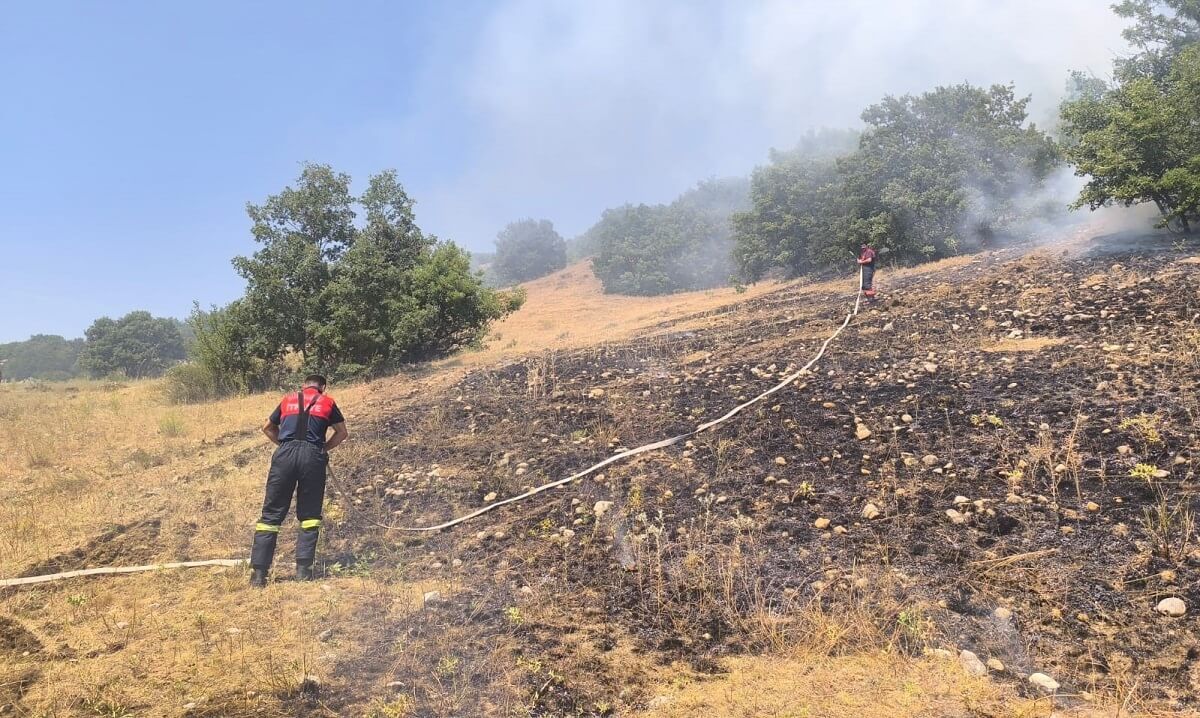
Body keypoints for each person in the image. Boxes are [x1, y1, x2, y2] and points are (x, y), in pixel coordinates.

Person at [249, 374, 348, 587]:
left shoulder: (288, 399)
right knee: (310, 514)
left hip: (284, 454)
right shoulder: (327, 402)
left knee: (271, 515)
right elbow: (342, 433)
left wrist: (284, 446)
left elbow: (267, 427)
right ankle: (304, 572)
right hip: (313, 456)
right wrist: (323, 448)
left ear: (304, 385)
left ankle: (258, 575)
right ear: (323, 386)